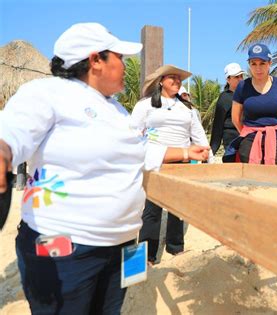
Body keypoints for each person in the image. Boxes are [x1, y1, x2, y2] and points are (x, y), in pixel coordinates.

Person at [0, 23, 209, 314]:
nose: (125, 65)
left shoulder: (116, 109)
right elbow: (12, 132)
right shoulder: (47, 93)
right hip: (65, 248)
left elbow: (139, 151)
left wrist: (186, 151)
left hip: (119, 247)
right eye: (120, 58)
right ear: (96, 60)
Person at [131, 64, 213, 264]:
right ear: (161, 81)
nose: (177, 81)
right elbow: (133, 132)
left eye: (179, 79)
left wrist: (209, 159)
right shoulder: (145, 105)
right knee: (152, 209)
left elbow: (198, 134)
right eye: (172, 78)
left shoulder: (187, 108)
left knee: (178, 207)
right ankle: (148, 256)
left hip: (182, 161)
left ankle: (176, 248)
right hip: (154, 160)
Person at [228, 44, 277, 166]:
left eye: (262, 63)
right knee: (252, 178)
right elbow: (235, 118)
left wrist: (273, 129)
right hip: (251, 137)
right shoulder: (242, 86)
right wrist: (248, 132)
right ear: (249, 65)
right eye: (253, 64)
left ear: (270, 63)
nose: (258, 68)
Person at [209, 63, 244, 155]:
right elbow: (218, 125)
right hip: (231, 142)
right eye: (236, 77)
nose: (240, 79)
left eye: (241, 76)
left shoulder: (248, 95)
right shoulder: (224, 98)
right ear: (228, 79)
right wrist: (212, 151)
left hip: (248, 139)